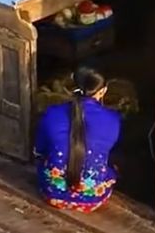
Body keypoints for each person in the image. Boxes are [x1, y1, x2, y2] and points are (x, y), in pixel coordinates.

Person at [34, 67, 121, 213]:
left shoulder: (52, 113)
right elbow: (109, 150)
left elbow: (38, 150)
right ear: (103, 91)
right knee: (112, 169)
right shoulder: (113, 119)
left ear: (72, 86)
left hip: (53, 193)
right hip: (92, 198)